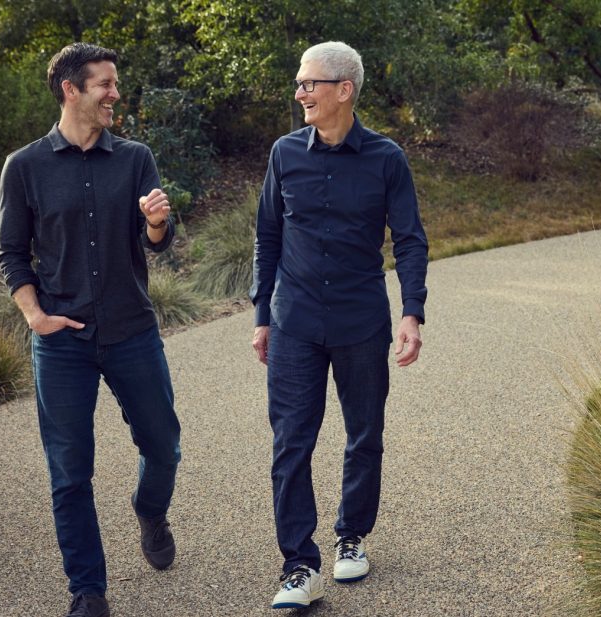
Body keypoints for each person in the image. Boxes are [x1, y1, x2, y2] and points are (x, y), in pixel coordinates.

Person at [0, 42, 181, 617]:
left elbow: (156, 242)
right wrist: (35, 317)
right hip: (62, 342)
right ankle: (88, 590)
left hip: (131, 331)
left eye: (115, 83)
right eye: (105, 84)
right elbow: (11, 253)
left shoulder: (135, 158)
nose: (115, 94)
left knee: (164, 448)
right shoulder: (24, 167)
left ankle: (150, 511)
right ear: (70, 89)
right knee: (70, 473)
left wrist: (157, 224)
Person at [250, 41, 429, 610]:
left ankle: (351, 535)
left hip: (360, 320)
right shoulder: (284, 153)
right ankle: (298, 566)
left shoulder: (386, 158)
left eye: (310, 83)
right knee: (290, 442)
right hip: (294, 322)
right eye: (299, 83)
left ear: (343, 90)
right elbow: (268, 236)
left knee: (364, 434)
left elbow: (410, 240)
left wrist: (412, 311)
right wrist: (262, 316)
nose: (300, 93)